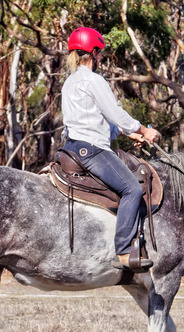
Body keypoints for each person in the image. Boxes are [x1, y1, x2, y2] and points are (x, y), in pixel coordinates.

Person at [61, 27, 161, 270]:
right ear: (93, 53)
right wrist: (144, 130)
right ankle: (125, 252)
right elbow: (116, 114)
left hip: (72, 147)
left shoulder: (70, 82)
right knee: (132, 191)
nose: (101, 57)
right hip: (93, 150)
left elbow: (104, 123)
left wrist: (133, 133)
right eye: (100, 53)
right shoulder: (93, 80)